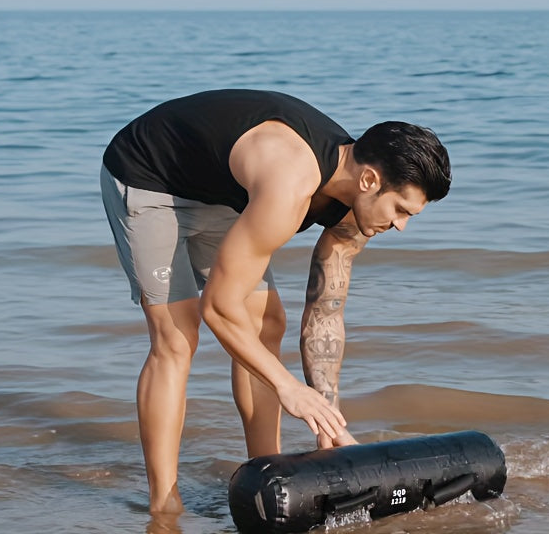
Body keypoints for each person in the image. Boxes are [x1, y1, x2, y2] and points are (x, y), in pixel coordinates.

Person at [100, 89, 451, 516]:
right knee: (177, 338)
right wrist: (288, 387)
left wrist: (328, 422)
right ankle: (164, 505)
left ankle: (265, 471)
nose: (400, 227)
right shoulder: (289, 184)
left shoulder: (355, 212)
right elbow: (217, 308)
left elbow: (325, 312)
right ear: (370, 181)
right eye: (401, 210)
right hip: (149, 176)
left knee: (269, 326)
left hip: (218, 192)